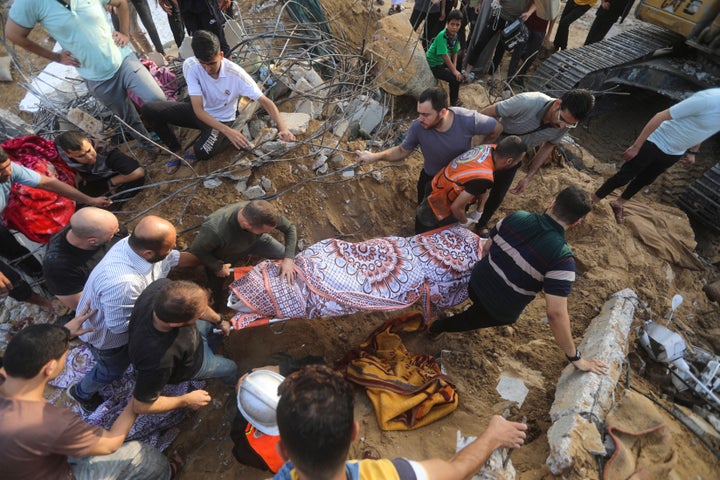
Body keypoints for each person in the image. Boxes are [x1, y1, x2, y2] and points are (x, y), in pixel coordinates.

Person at [428, 186, 609, 375]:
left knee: (479, 302)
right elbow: (555, 313)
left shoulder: (517, 216)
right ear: (577, 222)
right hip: (498, 309)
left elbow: (487, 247)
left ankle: (459, 312)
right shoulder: (562, 259)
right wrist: (576, 358)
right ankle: (437, 328)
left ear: (552, 203)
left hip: (476, 282)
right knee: (470, 319)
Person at [273, 364, 528, 480]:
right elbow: (457, 470)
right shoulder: (393, 474)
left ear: (283, 451)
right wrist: (493, 435)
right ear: (354, 432)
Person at [0, 321, 171, 480]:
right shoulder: (48, 421)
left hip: (18, 461)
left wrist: (63, 333)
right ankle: (167, 473)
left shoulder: (5, 378)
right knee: (139, 455)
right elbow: (110, 444)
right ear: (50, 368)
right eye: (65, 356)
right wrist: (134, 404)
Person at [67, 216, 199, 413]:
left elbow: (172, 259)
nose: (174, 248)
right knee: (110, 370)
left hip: (123, 324)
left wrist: (206, 262)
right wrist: (161, 320)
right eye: (170, 247)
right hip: (109, 341)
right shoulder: (125, 283)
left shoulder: (138, 247)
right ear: (148, 252)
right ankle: (81, 392)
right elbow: (119, 327)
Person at [5, 0, 166, 159]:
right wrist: (55, 57)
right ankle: (151, 147)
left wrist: (125, 32)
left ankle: (173, 141)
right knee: (127, 117)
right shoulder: (29, 3)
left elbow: (121, 3)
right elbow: (13, 34)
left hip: (122, 59)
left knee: (156, 98)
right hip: (94, 76)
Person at [142, 30, 295, 174]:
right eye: (203, 64)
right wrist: (228, 132)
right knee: (149, 109)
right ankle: (176, 150)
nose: (208, 69)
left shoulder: (236, 75)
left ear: (221, 55)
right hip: (199, 112)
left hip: (222, 118)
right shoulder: (192, 66)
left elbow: (265, 101)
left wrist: (283, 128)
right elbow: (198, 110)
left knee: (203, 152)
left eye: (212, 63)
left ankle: (202, 145)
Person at [356, 87, 501, 230]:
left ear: (442, 112)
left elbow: (497, 128)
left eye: (426, 115)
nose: (420, 119)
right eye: (419, 113)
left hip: (456, 186)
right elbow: (401, 151)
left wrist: (478, 152)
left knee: (448, 224)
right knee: (423, 221)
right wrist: (374, 157)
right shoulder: (418, 127)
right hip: (430, 181)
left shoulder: (468, 120)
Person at [593, 88, 720, 223]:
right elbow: (660, 116)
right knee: (624, 176)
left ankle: (618, 204)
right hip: (656, 142)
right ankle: (592, 201)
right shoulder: (707, 100)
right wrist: (636, 146)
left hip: (674, 152)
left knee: (644, 180)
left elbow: (705, 129)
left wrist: (693, 151)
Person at [476, 89, 595, 230]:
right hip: (491, 150)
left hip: (515, 160)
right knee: (475, 184)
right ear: (557, 104)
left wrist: (528, 176)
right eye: (562, 119)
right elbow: (486, 113)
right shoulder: (527, 102)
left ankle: (481, 224)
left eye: (569, 124)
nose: (562, 126)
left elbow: (547, 147)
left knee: (498, 195)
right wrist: (479, 146)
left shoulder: (564, 124)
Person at [1, 146, 112, 286]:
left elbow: (48, 183)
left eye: (7, 165)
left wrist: (89, 200)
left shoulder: (8, 169)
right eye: (1, 171)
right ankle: (44, 281)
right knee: (11, 255)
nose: (8, 172)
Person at [128, 279, 237, 414]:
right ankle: (235, 387)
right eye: (199, 314)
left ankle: (212, 348)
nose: (206, 310)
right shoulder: (158, 359)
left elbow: (197, 305)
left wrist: (219, 321)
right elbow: (140, 406)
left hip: (193, 340)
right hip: (192, 365)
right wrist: (186, 400)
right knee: (231, 368)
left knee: (215, 330)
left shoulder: (164, 289)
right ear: (177, 324)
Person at [189, 200, 297, 308]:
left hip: (257, 242)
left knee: (292, 260)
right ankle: (216, 313)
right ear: (247, 225)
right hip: (225, 255)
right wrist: (216, 266)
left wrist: (288, 258)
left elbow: (290, 228)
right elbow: (197, 250)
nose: (269, 232)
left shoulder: (262, 213)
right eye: (264, 231)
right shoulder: (215, 230)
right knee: (213, 292)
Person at [416, 136, 527, 232]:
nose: (516, 165)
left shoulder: (487, 148)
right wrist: (464, 221)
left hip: (436, 184)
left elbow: (483, 188)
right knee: (427, 233)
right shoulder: (483, 176)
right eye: (517, 162)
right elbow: (456, 207)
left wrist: (480, 210)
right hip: (440, 204)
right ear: (508, 161)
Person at [43, 207, 123, 311]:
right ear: (92, 241)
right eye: (112, 234)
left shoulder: (105, 227)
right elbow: (82, 305)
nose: (118, 231)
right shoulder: (59, 267)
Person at [55, 130, 145, 203]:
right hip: (91, 176)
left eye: (89, 150)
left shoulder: (108, 152)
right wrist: (80, 172)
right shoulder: (59, 147)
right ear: (67, 154)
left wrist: (112, 182)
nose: (90, 157)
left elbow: (138, 172)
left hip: (112, 176)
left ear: (89, 141)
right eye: (81, 156)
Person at [461, 0, 527, 80]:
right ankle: (468, 70)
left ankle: (490, 75)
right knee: (482, 41)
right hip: (499, 15)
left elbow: (536, 3)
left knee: (501, 49)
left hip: (513, 21)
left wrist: (529, 13)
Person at [426, 10, 464, 106]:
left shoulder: (455, 35)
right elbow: (445, 56)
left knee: (460, 56)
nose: (454, 27)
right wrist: (454, 71)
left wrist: (454, 68)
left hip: (442, 61)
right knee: (454, 79)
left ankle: (457, 77)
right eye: (452, 24)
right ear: (447, 23)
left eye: (457, 25)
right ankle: (454, 101)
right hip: (434, 64)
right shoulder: (442, 36)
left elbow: (455, 51)